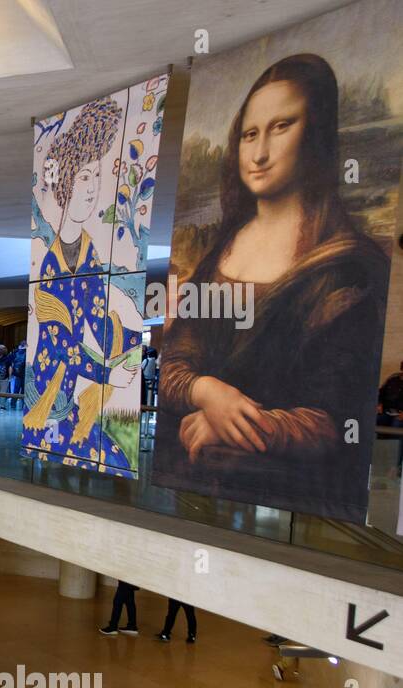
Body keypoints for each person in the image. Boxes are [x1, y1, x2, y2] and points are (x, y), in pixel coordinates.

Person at [156, 54, 390, 517]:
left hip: (287, 499)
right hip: (190, 480)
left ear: (316, 133)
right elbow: (174, 364)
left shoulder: (346, 268)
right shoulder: (215, 256)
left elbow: (337, 421)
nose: (259, 153)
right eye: (249, 133)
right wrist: (207, 392)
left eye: (281, 126)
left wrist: (235, 423)